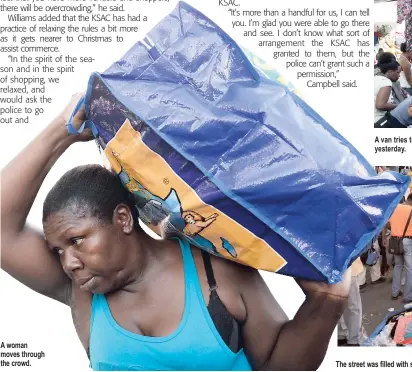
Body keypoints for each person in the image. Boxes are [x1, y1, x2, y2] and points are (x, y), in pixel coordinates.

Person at [1, 94, 351, 371]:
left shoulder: (215, 271)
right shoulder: (79, 291)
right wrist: (61, 132)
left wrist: (328, 302)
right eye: (58, 250)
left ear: (123, 219)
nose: (68, 262)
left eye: (76, 240)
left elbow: (277, 367)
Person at [387, 194, 412, 304]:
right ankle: (408, 296)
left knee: (397, 267)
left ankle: (395, 293)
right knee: (409, 269)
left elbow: (387, 224)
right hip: (408, 241)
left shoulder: (394, 208)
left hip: (395, 241)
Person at [337, 258, 365, 347]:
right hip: (350, 268)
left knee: (337, 304)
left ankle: (340, 334)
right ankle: (353, 339)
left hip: (332, 270)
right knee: (355, 306)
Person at [374, 57, 403, 124]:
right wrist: (399, 106)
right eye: (398, 72)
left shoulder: (376, 78)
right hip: (379, 120)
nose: (399, 76)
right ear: (390, 72)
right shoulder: (386, 82)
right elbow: (380, 105)